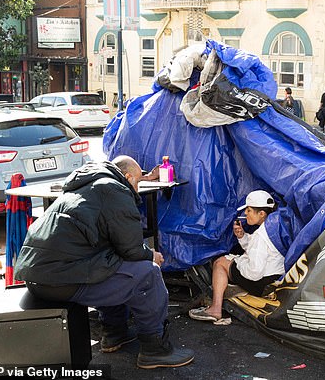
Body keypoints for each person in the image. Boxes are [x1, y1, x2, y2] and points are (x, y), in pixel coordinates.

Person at [14, 156, 195, 369]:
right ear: (127, 177)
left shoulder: (86, 186)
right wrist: (150, 255)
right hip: (60, 279)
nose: (136, 190)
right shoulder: (114, 191)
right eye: (137, 182)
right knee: (148, 273)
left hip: (38, 277)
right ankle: (155, 350)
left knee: (112, 262)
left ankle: (114, 333)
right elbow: (132, 249)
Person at [189, 190, 284, 324]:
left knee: (220, 263)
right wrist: (242, 237)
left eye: (249, 210)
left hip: (262, 283)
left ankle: (215, 309)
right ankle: (230, 288)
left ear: (261, 213)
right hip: (275, 277)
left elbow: (254, 272)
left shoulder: (260, 236)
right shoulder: (273, 226)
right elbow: (260, 251)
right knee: (231, 261)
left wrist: (236, 262)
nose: (245, 214)